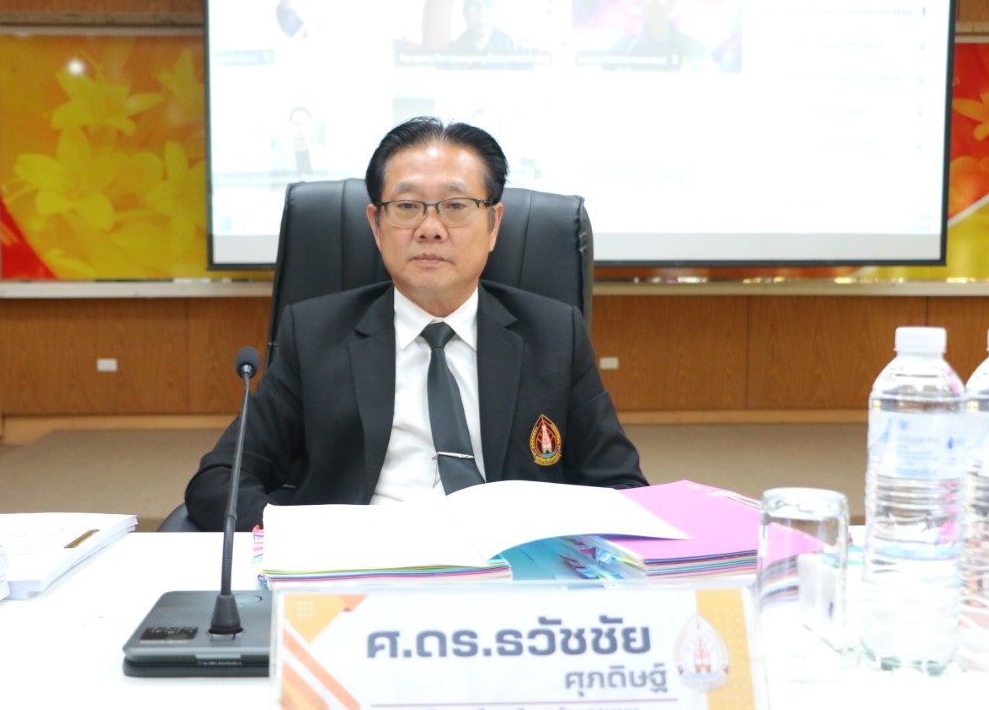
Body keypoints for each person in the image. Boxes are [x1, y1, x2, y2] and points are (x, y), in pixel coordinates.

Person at [184, 116, 648, 530]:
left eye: (456, 205)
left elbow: (621, 487)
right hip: (360, 568)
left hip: (510, 570)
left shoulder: (554, 334)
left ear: (493, 225)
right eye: (407, 207)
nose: (430, 228)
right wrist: (303, 539)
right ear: (375, 224)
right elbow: (221, 479)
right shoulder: (315, 334)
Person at [448, 0, 516, 53]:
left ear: (494, 8)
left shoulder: (511, 49)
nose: (481, 12)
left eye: (487, 5)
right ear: (465, 11)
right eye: (473, 6)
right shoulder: (453, 51)